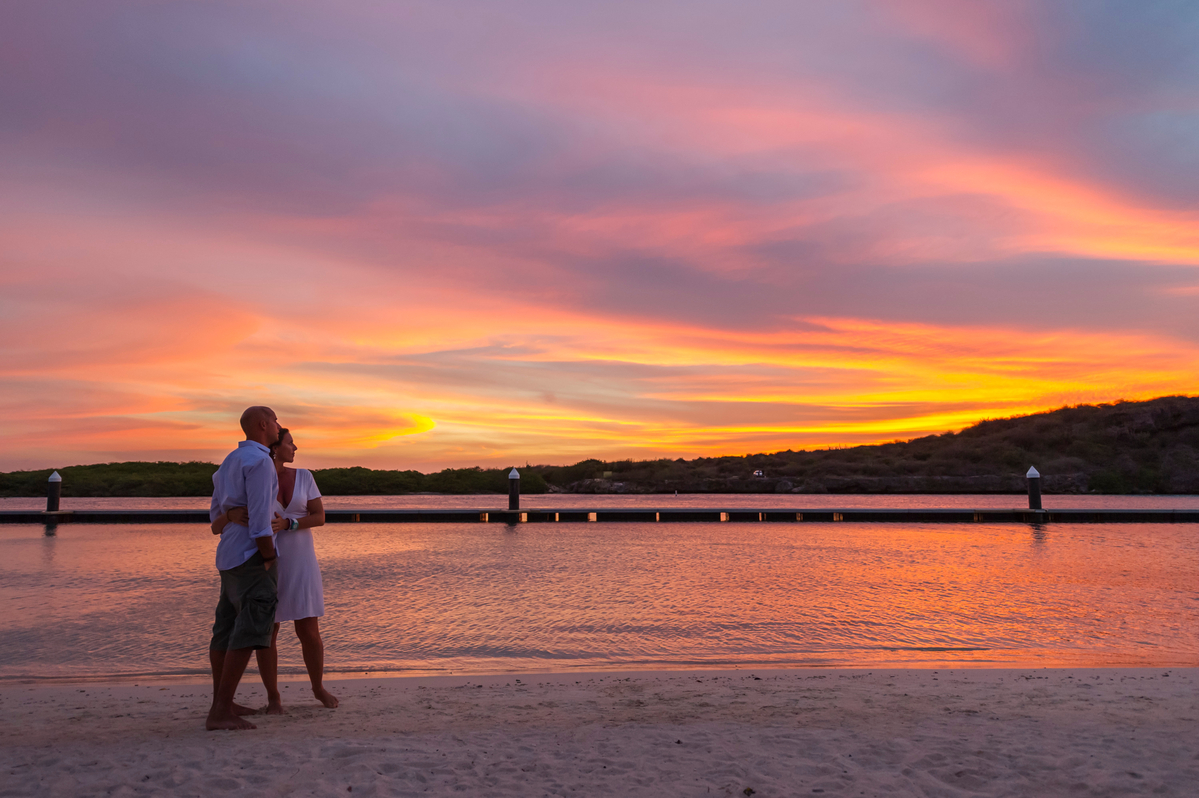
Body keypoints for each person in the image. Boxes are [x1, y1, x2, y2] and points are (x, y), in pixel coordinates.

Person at [211, 427, 338, 711]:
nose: (295, 448)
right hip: (266, 559)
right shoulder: (256, 475)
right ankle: (273, 697)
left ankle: (318, 688)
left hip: (301, 559)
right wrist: (231, 515)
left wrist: (289, 523)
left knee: (309, 629)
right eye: (290, 443)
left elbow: (319, 517)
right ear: (275, 447)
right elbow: (220, 521)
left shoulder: (304, 476)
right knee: (269, 630)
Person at [205, 406, 282, 731]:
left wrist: (233, 519)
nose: (279, 427)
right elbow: (262, 521)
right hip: (250, 556)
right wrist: (268, 557)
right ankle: (221, 710)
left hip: (228, 555)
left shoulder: (228, 463)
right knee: (249, 631)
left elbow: (215, 521)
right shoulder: (260, 461)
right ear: (263, 424)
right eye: (276, 421)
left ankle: (222, 702)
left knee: (225, 629)